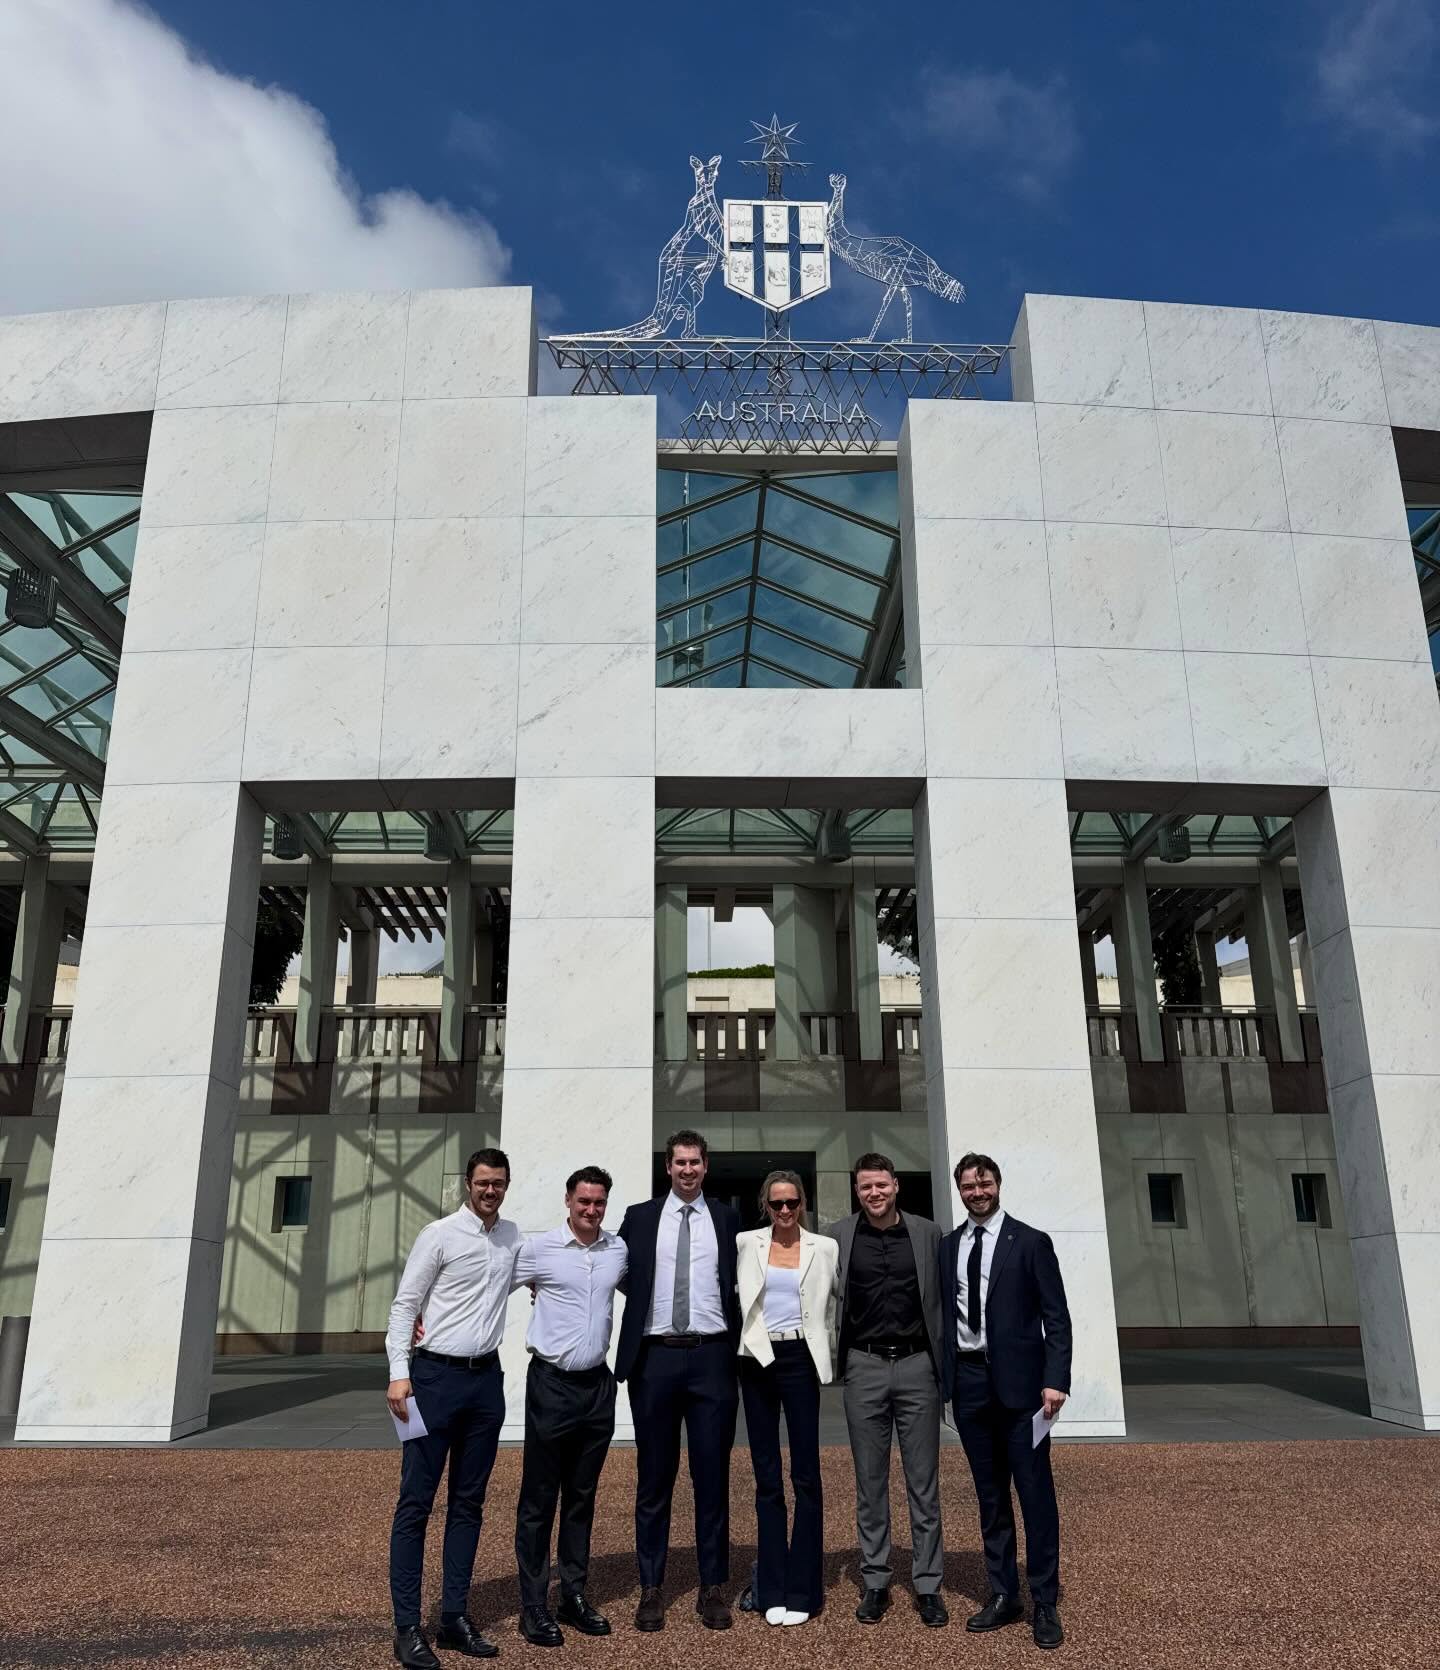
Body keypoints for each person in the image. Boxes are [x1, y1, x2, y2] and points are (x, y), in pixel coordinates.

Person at [385, 1148, 521, 1667]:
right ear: (468, 1183)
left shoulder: (512, 1237)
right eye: (483, 1182)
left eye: (499, 1183)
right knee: (415, 1503)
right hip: (433, 1379)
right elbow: (405, 1305)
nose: (491, 1190)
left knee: (469, 1503)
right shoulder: (439, 1234)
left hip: (485, 1383)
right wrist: (399, 1373)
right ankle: (406, 1627)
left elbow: (540, 1270)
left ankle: (454, 1618)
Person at [939, 1152, 1071, 1651]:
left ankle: (1044, 1600)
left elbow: (1057, 1317)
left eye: (984, 1183)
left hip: (1023, 1390)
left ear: (998, 1185)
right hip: (970, 1385)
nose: (978, 1192)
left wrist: (1056, 1379)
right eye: (969, 1186)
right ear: (959, 1190)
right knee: (990, 1497)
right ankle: (1003, 1593)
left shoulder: (1031, 1242)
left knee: (1035, 1495)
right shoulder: (948, 1246)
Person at [614, 1129, 741, 1632]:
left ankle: (712, 1587)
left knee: (712, 1478)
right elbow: (612, 1270)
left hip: (712, 1358)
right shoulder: (640, 1218)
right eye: (679, 1162)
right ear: (667, 1167)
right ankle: (651, 1588)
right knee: (654, 1479)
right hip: (655, 1360)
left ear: (705, 1167)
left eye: (695, 1162)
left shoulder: (728, 1218)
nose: (687, 1170)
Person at [511, 1165, 629, 1648]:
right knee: (539, 1499)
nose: (591, 1210)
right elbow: (489, 1284)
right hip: (552, 1385)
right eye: (584, 1201)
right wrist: (421, 1317)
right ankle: (533, 1604)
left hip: (597, 1388)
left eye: (599, 1202)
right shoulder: (539, 1250)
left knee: (582, 1496)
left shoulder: (617, 1251)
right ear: (568, 1200)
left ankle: (572, 1594)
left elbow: (645, 1295)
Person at [829, 1152, 948, 1628]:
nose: (874, 1193)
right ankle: (876, 1579)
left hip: (918, 1365)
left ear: (896, 1185)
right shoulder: (838, 1236)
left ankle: (927, 1584)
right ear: (856, 1191)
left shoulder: (928, 1233)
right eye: (865, 1187)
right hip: (864, 1365)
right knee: (870, 1482)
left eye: (881, 1185)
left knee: (924, 1484)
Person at [736, 1170, 839, 1628]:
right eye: (776, 1203)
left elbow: (836, 1302)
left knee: (806, 1475)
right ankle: (772, 1586)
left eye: (792, 1202)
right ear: (765, 1204)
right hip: (757, 1357)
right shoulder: (745, 1243)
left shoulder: (825, 1248)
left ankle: (804, 1588)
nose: (784, 1211)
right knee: (766, 1476)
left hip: (801, 1357)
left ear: (802, 1203)